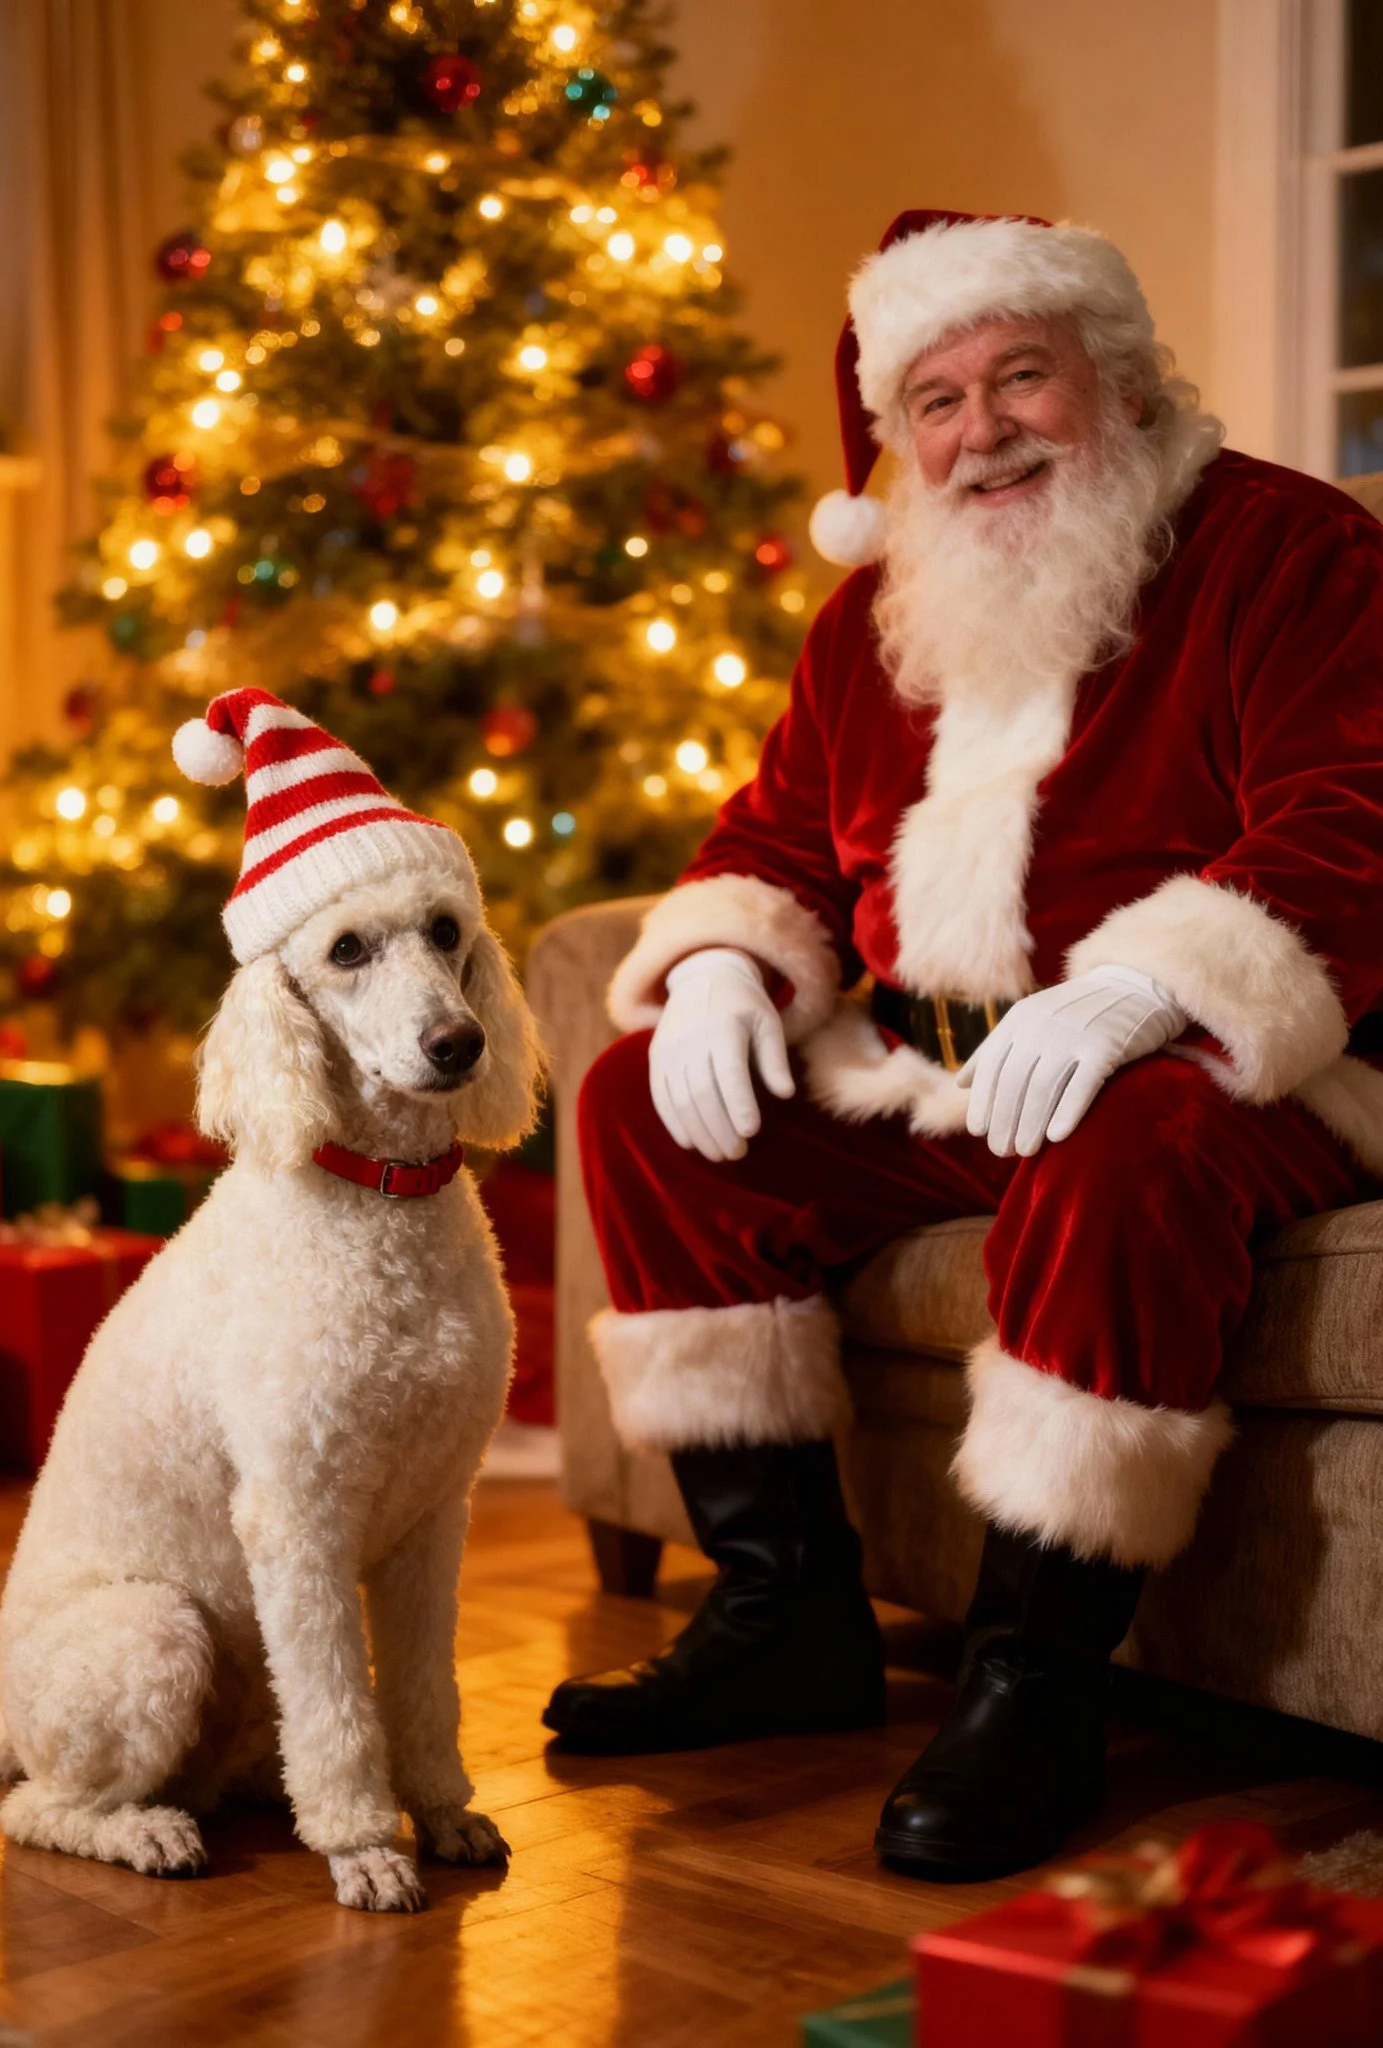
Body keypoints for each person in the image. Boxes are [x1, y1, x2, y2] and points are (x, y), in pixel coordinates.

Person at [541, 209, 1383, 1880]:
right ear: (893, 433)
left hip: (1241, 1062)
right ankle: (784, 1616)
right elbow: (777, 842)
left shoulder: (1289, 550)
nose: (980, 429)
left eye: (1022, 378)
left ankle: (1035, 1683)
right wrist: (722, 962)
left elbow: (1354, 815)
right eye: (935, 398)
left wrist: (1151, 986)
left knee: (1126, 1135)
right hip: (936, 1069)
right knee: (649, 1098)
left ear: (1121, 382)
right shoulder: (873, 617)